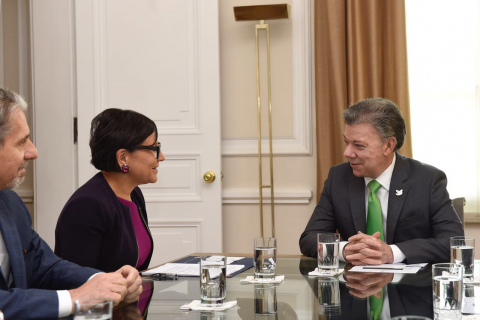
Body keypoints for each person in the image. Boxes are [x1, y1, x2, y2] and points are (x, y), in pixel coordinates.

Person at [0, 88, 142, 319]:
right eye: (21, 142)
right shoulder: (89, 202)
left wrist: (103, 282)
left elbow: (43, 265)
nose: (33, 152)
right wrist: (75, 298)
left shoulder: (10, 202)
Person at [299, 98, 464, 265]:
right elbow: (309, 239)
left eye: (358, 145)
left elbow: (453, 242)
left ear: (388, 145)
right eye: (346, 142)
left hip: (410, 288)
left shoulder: (427, 180)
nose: (347, 152)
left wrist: (393, 253)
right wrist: (344, 250)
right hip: (354, 286)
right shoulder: (338, 177)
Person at [55, 108, 164, 272]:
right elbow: (77, 281)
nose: (161, 156)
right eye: (154, 148)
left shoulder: (134, 194)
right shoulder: (86, 206)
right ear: (123, 157)